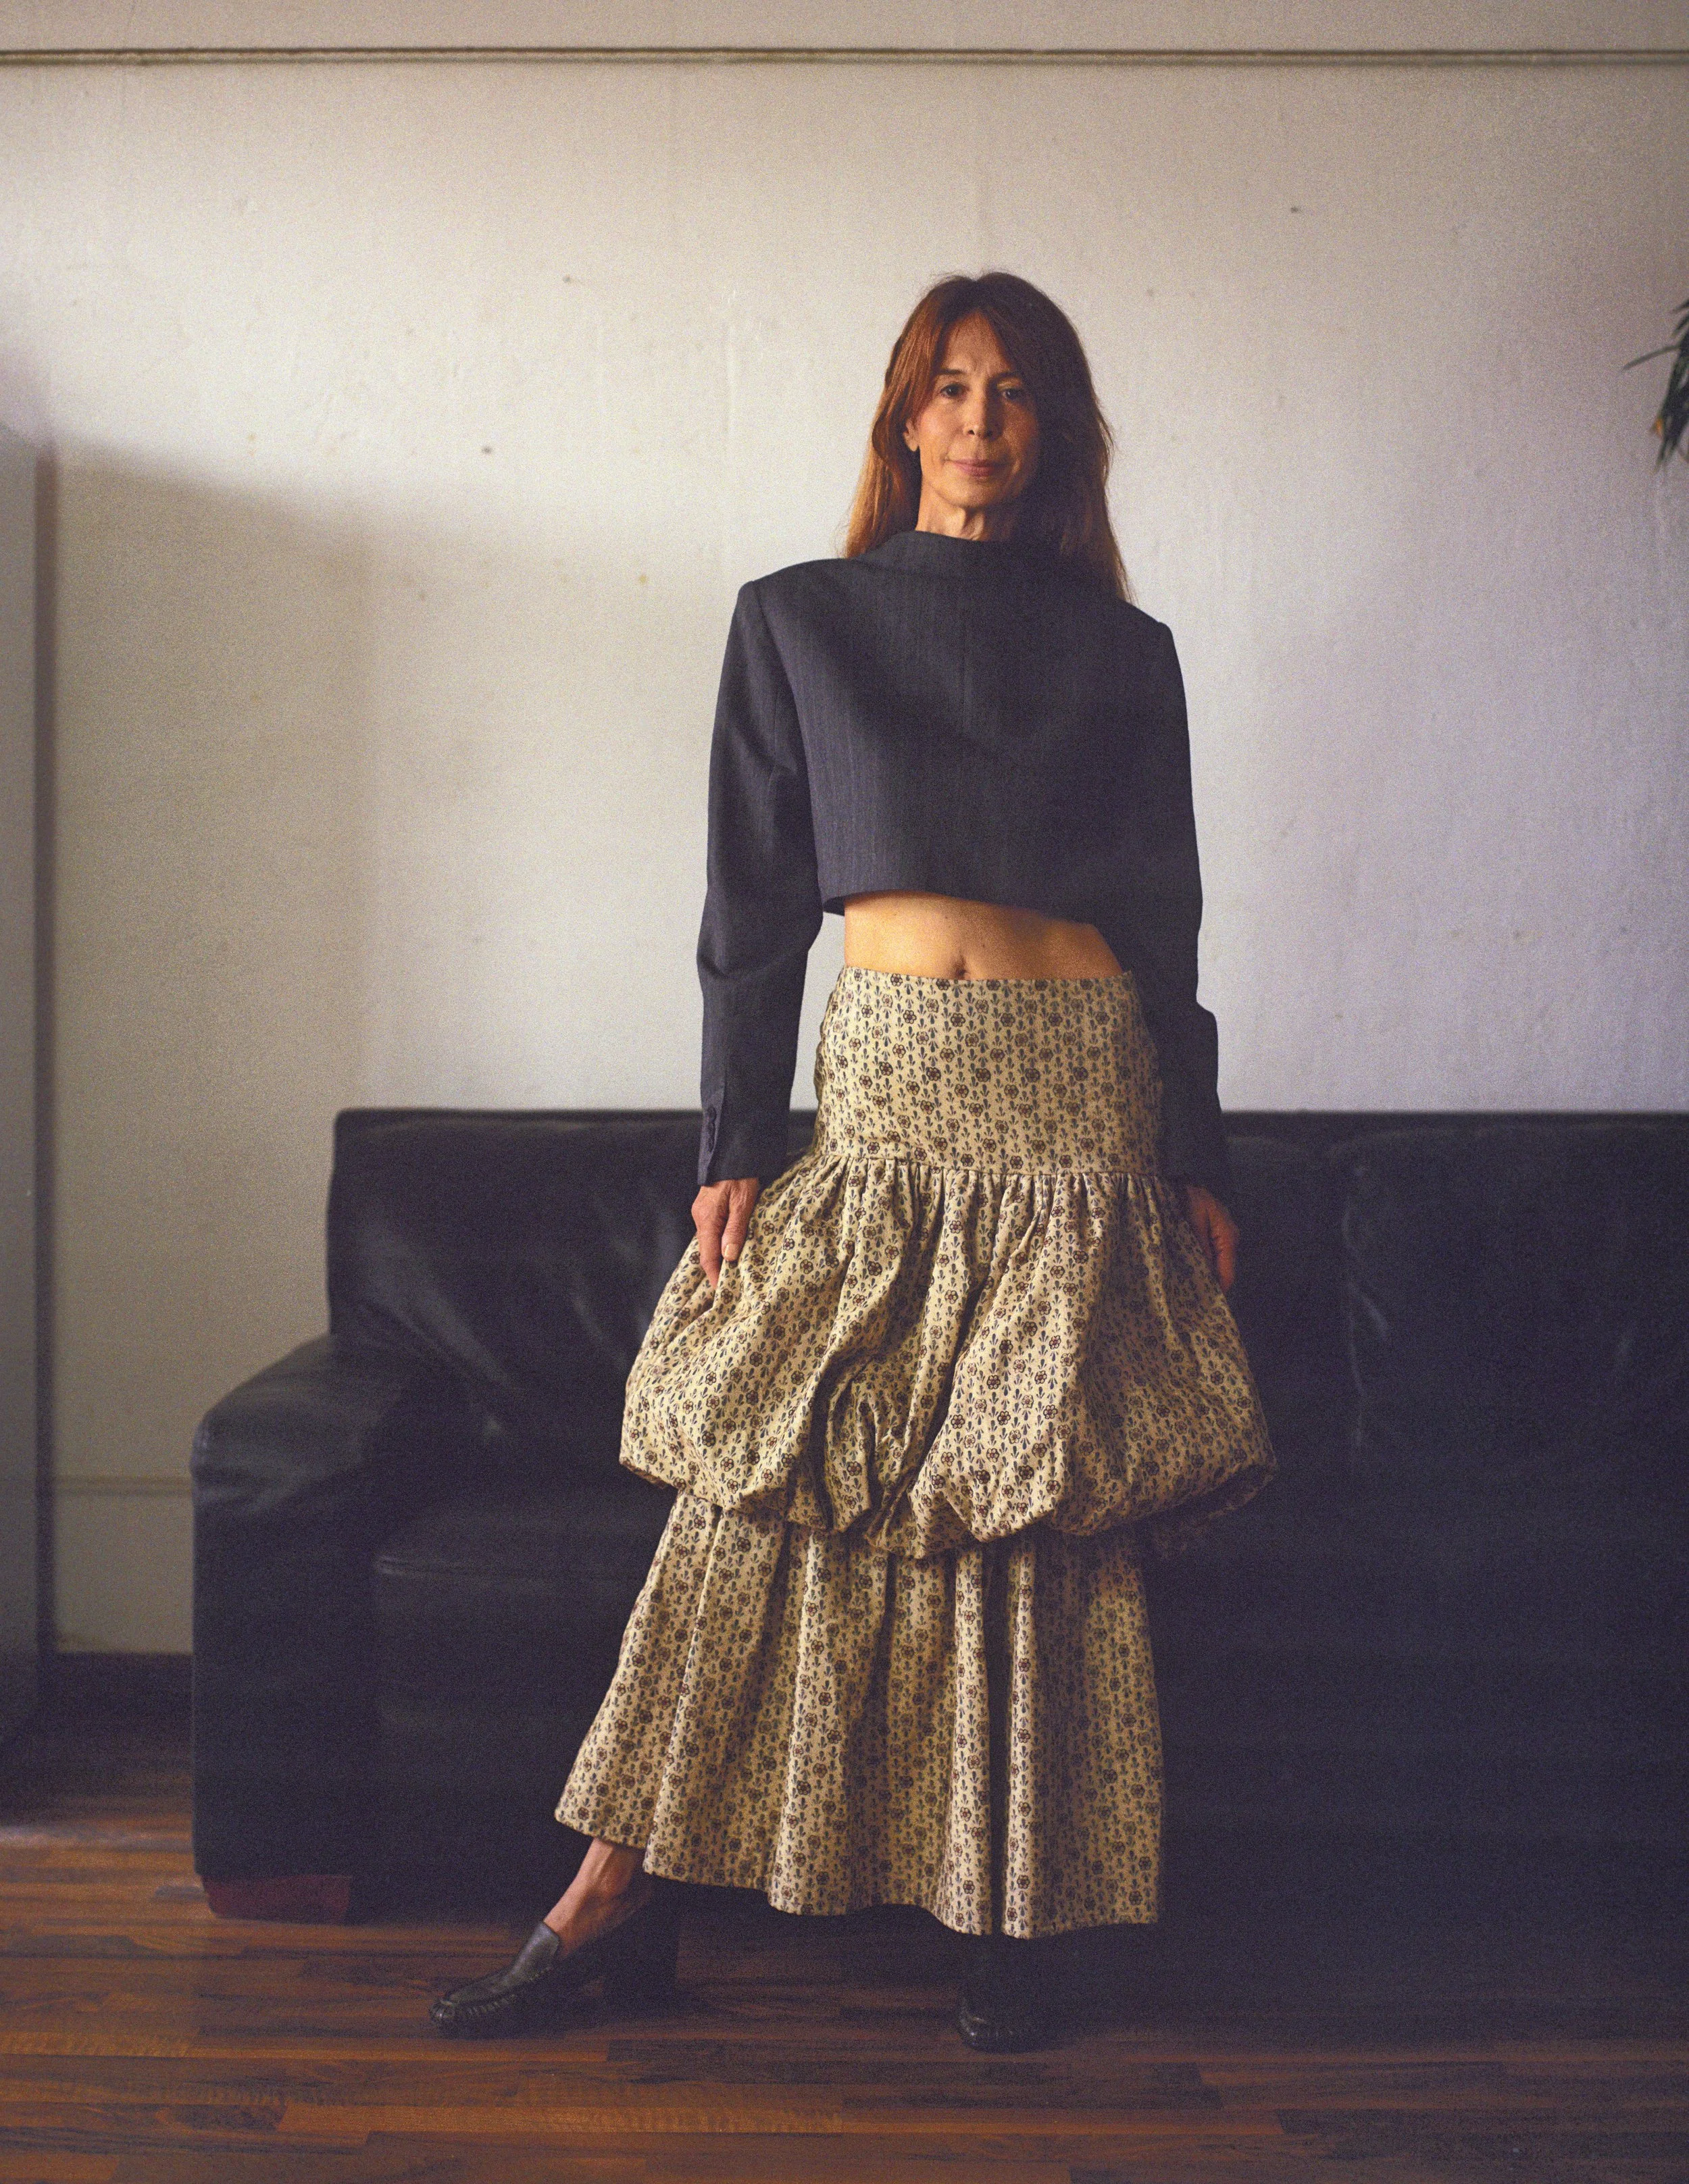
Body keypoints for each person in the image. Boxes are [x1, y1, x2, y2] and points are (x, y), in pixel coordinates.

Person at [430, 271, 1276, 2052]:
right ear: (903, 415)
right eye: (949, 386)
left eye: (1014, 390)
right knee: (771, 1477)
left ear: (1055, 429)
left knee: (1029, 1501)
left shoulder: (1124, 653)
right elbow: (747, 908)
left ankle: (1020, 1919)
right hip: (883, 1093)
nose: (979, 418)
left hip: (1075, 1097)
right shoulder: (797, 621)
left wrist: (1191, 1153)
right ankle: (611, 1898)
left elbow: (1169, 921)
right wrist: (738, 1137)